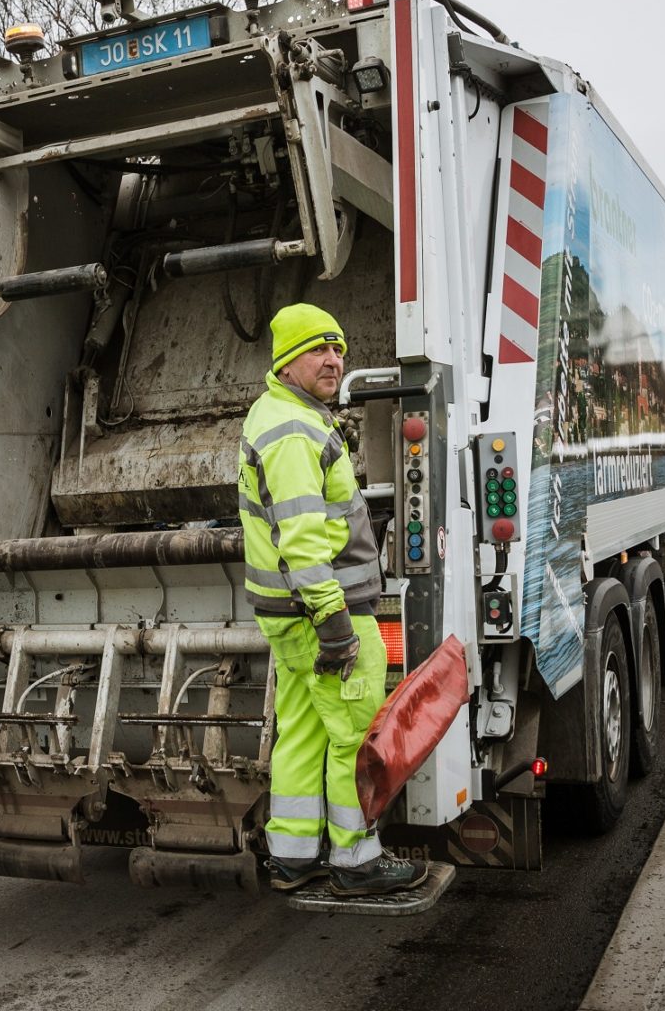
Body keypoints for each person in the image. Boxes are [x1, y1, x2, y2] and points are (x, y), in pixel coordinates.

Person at [238, 303, 428, 897]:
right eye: (317, 349)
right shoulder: (294, 429)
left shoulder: (283, 415)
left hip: (290, 618)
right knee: (354, 734)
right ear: (287, 360)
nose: (333, 359)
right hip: (324, 613)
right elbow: (301, 536)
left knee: (302, 731)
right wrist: (335, 622)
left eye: (338, 348)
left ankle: (292, 855)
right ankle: (357, 861)